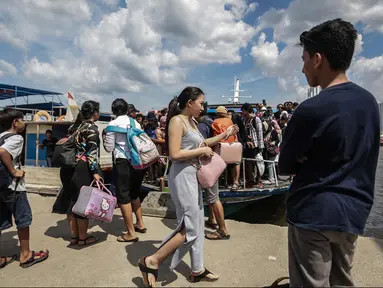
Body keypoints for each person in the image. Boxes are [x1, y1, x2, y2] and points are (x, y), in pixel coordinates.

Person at [279, 19, 380, 287]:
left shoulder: (311, 109)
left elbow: (285, 164)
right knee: (342, 281)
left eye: (304, 59)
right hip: (353, 213)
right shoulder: (370, 103)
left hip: (313, 211)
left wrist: (304, 158)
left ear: (318, 59)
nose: (302, 68)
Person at [138, 87, 238, 287]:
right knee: (190, 226)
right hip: (182, 175)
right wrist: (202, 150)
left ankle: (197, 268)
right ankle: (152, 261)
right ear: (190, 102)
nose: (203, 107)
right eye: (201, 103)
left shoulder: (192, 122)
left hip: (193, 175)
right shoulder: (177, 121)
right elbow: (174, 154)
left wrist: (223, 135)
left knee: (198, 223)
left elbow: (201, 142)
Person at [0, 109, 49, 268]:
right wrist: (14, 171)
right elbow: (3, 152)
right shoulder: (16, 138)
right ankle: (26, 254)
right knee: (23, 218)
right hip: (13, 186)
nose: (24, 122)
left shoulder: (0, 136)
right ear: (15, 122)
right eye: (22, 119)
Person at [103, 99, 147, 242]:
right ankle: (140, 223)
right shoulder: (136, 123)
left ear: (113, 110)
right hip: (137, 163)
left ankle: (130, 233)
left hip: (122, 162)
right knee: (134, 193)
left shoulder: (112, 125)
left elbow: (109, 148)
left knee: (123, 197)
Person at [68, 101, 102, 247]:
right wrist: (95, 171)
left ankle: (75, 236)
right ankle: (83, 238)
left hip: (70, 166)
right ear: (95, 113)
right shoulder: (91, 128)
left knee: (73, 201)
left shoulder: (74, 127)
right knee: (83, 202)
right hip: (83, 167)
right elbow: (92, 152)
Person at [197, 105, 231, 240]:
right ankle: (212, 220)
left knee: (212, 197)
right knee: (212, 195)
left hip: (205, 164)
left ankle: (222, 230)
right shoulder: (212, 123)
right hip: (214, 162)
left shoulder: (200, 126)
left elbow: (201, 145)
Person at [212, 106, 240, 191]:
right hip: (231, 145)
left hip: (219, 146)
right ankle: (236, 182)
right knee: (237, 162)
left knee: (219, 165)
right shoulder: (229, 121)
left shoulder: (214, 121)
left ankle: (217, 182)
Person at [241, 103, 264, 188]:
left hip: (255, 145)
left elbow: (259, 132)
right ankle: (250, 180)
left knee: (257, 163)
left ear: (247, 110)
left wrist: (260, 146)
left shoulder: (256, 119)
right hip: (248, 145)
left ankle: (259, 180)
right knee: (248, 163)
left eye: (243, 110)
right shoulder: (244, 120)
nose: (242, 112)